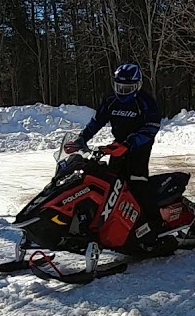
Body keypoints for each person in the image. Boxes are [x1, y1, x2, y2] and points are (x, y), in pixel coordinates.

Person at [64, 63, 175, 253]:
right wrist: (81, 139)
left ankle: (154, 225)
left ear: (137, 86)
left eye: (127, 89)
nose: (123, 92)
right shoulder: (110, 101)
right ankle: (108, 225)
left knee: (136, 184)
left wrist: (129, 144)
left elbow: (151, 127)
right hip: (117, 148)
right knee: (109, 184)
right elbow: (96, 122)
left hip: (138, 148)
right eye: (119, 88)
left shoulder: (146, 102)